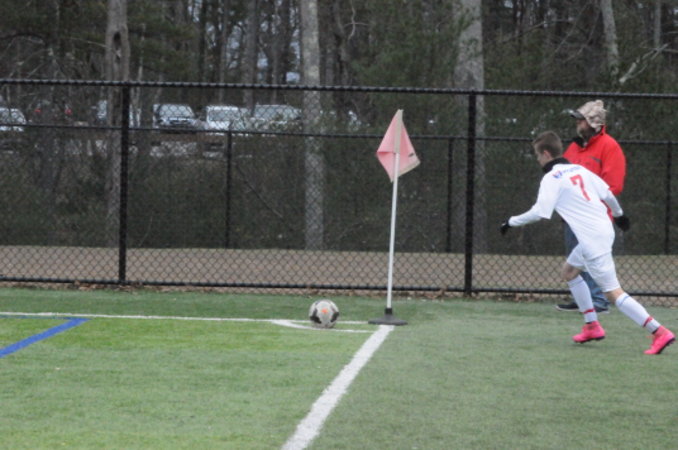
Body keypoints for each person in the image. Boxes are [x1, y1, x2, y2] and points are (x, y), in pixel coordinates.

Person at [500, 131, 674, 355]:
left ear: (546, 154)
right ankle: (592, 326)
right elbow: (608, 195)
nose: (538, 160)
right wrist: (619, 215)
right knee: (569, 271)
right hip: (604, 230)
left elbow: (540, 212)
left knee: (613, 293)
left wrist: (510, 222)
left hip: (593, 240)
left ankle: (659, 332)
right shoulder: (579, 169)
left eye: (537, 155)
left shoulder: (551, 178)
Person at [555, 99, 626, 314]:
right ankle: (583, 300)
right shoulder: (575, 147)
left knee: (592, 257)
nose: (577, 123)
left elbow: (613, 185)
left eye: (581, 120)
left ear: (594, 123)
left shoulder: (609, 146)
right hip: (573, 215)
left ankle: (598, 301)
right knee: (576, 259)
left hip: (594, 217)